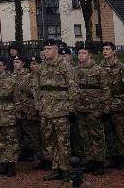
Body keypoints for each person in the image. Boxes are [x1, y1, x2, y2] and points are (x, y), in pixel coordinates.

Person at [36, 38, 75, 181]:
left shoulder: (65, 66)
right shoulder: (42, 67)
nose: (46, 51)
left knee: (63, 141)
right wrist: (38, 107)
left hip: (61, 111)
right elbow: (37, 88)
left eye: (49, 49)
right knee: (49, 141)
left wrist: (71, 109)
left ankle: (65, 169)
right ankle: (56, 168)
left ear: (56, 50)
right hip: (46, 111)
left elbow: (73, 88)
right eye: (45, 49)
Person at [72, 44, 107, 174]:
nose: (81, 55)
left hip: (95, 108)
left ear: (90, 55)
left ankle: (99, 162)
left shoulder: (98, 70)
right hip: (80, 108)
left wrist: (106, 109)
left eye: (84, 53)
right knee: (84, 135)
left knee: (96, 135)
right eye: (79, 53)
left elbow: (106, 89)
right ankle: (90, 160)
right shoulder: (74, 70)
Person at [99, 42, 124, 170]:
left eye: (108, 49)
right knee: (109, 132)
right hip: (105, 106)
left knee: (121, 132)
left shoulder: (121, 67)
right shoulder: (100, 67)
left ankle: (123, 158)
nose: (105, 51)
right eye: (103, 49)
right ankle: (113, 157)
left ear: (114, 51)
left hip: (119, 104)